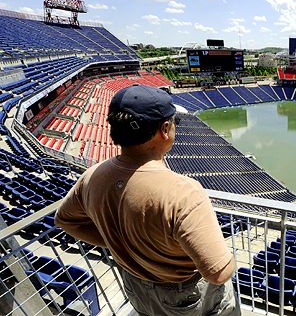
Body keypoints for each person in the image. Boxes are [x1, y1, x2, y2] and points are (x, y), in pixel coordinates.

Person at [55, 84, 240, 316]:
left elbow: (64, 220)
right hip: (183, 297)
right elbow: (218, 273)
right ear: (164, 129)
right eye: (175, 123)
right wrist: (228, 256)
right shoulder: (184, 192)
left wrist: (119, 244)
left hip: (135, 286)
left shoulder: (92, 176)